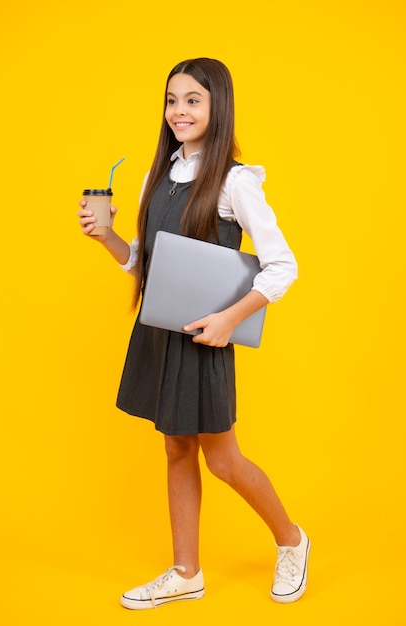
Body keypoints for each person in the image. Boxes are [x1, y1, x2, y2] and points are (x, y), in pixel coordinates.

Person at [78, 57, 310, 609]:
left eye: (192, 100)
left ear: (217, 107)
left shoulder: (235, 181)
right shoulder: (155, 176)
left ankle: (292, 540)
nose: (179, 111)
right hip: (159, 332)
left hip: (206, 337)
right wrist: (106, 237)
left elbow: (284, 266)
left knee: (222, 459)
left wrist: (229, 320)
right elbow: (146, 263)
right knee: (176, 451)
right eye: (171, 100)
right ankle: (186, 572)